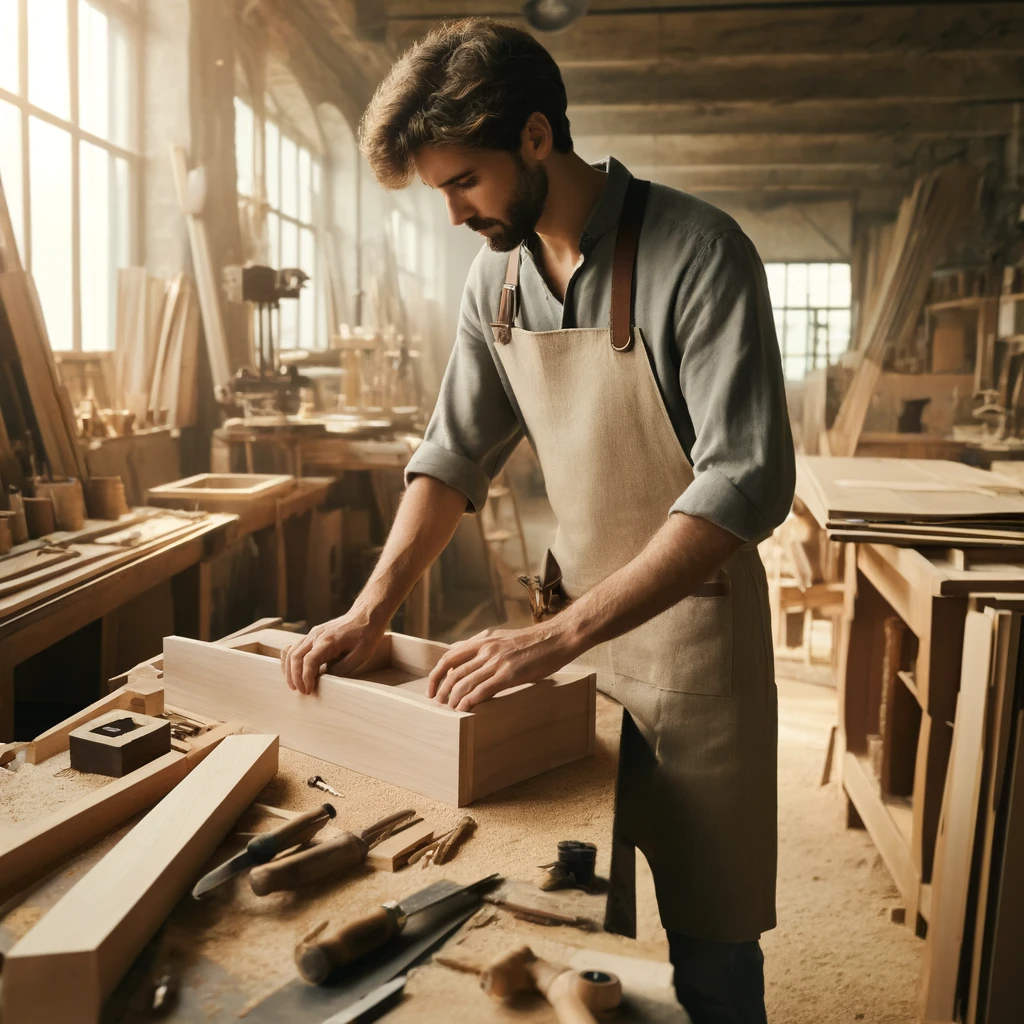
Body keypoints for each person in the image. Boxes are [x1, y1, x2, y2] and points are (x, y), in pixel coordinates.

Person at [281, 18, 794, 1024]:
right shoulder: (497, 280)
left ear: (533, 137)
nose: (452, 213)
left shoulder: (700, 253)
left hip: (693, 651)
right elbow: (452, 456)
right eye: (437, 192)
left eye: (461, 183)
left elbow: (744, 483)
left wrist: (553, 633)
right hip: (563, 661)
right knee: (561, 922)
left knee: (713, 950)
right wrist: (372, 606)